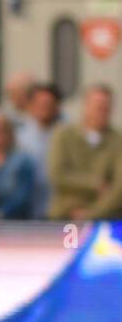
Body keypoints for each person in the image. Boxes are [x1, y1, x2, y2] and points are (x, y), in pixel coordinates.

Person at [47, 84, 122, 220]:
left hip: (106, 220)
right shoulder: (63, 135)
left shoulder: (118, 141)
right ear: (86, 106)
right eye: (98, 107)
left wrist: (91, 214)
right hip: (63, 215)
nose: (102, 111)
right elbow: (57, 174)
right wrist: (95, 184)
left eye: (106, 107)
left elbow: (119, 188)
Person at [16, 83, 62, 218]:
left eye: (49, 104)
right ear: (31, 105)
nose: (44, 108)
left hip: (57, 208)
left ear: (57, 107)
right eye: (40, 103)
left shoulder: (66, 135)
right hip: (27, 209)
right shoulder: (19, 137)